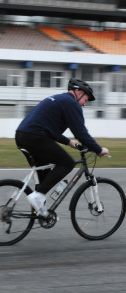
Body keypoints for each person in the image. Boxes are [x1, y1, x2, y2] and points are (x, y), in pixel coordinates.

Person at [15, 78, 109, 217]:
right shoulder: (72, 103)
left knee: (45, 175)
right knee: (67, 163)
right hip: (36, 138)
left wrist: (68, 142)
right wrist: (98, 149)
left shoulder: (59, 99)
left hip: (23, 136)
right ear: (79, 92)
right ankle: (38, 197)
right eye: (86, 99)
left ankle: (40, 211)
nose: (84, 104)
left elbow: (49, 129)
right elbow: (81, 133)